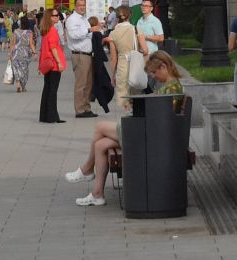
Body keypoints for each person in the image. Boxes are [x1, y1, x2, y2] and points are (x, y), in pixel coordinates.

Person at [65, 50, 186, 207]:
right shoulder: (172, 86)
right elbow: (157, 111)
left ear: (164, 66)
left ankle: (87, 169)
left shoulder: (171, 88)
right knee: (100, 145)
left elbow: (156, 114)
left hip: (149, 137)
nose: (153, 77)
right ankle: (97, 194)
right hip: (151, 133)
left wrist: (138, 106)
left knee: (100, 126)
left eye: (154, 73)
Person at [38, 8, 67, 123]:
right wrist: (59, 62)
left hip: (47, 63)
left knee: (47, 89)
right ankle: (52, 117)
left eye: (58, 15)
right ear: (49, 17)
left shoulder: (45, 30)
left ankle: (45, 116)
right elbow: (53, 47)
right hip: (53, 64)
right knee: (53, 91)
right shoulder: (52, 30)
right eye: (55, 15)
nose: (57, 17)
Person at [105, 5, 137, 104]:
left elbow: (113, 58)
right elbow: (145, 49)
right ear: (130, 15)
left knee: (122, 90)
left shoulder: (113, 34)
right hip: (135, 63)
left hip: (122, 63)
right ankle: (135, 110)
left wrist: (113, 75)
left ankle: (124, 111)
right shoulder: (136, 29)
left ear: (117, 17)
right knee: (136, 90)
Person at [65, 5, 94, 117]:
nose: (82, 7)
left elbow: (89, 35)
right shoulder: (72, 19)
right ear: (75, 7)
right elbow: (73, 35)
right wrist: (89, 30)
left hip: (87, 54)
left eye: (84, 5)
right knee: (81, 83)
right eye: (80, 6)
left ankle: (86, 107)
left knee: (88, 83)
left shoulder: (84, 18)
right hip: (79, 54)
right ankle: (79, 109)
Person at [9, 14, 36, 95]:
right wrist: (35, 52)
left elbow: (13, 44)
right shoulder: (29, 32)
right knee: (24, 70)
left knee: (16, 69)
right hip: (25, 54)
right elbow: (31, 43)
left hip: (16, 53)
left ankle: (18, 84)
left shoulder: (15, 31)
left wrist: (10, 53)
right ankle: (23, 86)